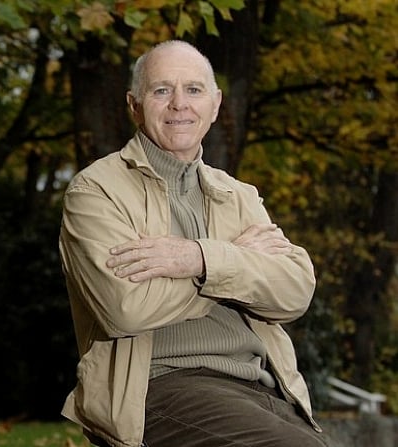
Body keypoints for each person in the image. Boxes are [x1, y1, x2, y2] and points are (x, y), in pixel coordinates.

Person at [58, 40, 329, 447]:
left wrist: (198, 258)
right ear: (134, 104)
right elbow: (125, 308)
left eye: (194, 90)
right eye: (161, 90)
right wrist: (237, 264)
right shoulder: (96, 191)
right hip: (158, 388)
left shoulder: (238, 194)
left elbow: (293, 292)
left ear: (216, 105)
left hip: (259, 385)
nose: (179, 104)